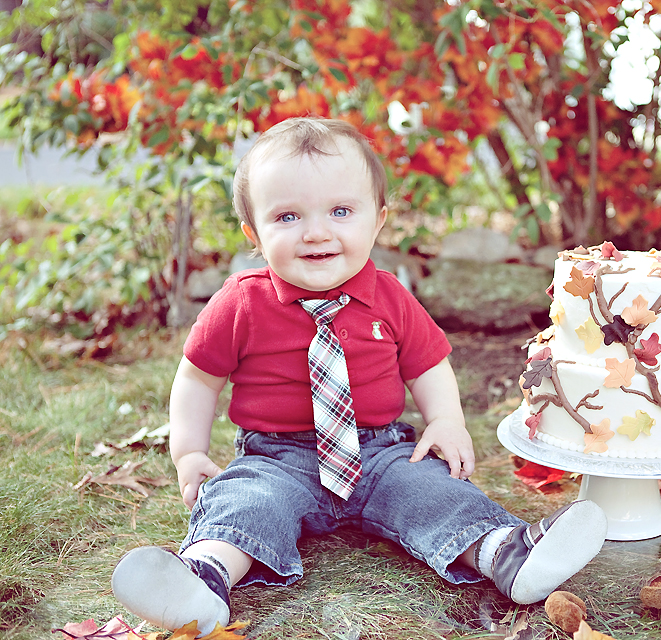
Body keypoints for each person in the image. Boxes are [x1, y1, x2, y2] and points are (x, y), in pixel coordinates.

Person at [110, 117, 607, 635]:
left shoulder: (390, 296)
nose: (317, 232)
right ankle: (202, 578)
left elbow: (428, 363)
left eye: (341, 211)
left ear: (378, 221)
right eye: (287, 216)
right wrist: (189, 452)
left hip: (381, 452)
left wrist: (445, 420)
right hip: (277, 457)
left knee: (431, 490)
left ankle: (506, 554)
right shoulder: (241, 302)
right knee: (245, 502)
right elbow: (198, 378)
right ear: (254, 233)